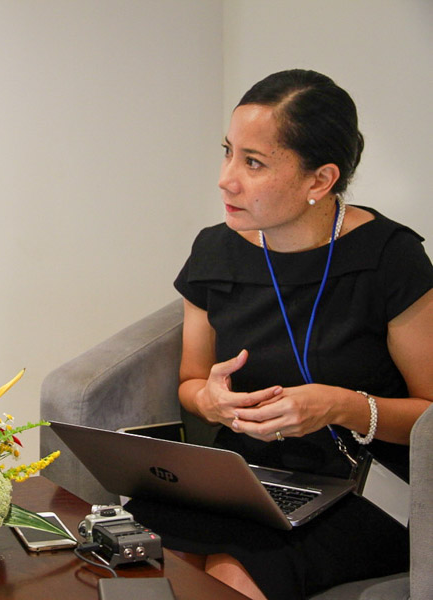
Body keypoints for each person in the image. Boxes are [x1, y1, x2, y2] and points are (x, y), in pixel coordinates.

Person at [126, 69, 433, 600]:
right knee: (134, 554)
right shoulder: (214, 251)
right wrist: (211, 401)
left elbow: (430, 416)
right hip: (241, 478)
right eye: (228, 152)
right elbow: (192, 383)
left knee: (232, 573)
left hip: (364, 487)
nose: (226, 178)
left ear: (320, 180)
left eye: (253, 163)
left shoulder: (390, 259)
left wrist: (340, 406)